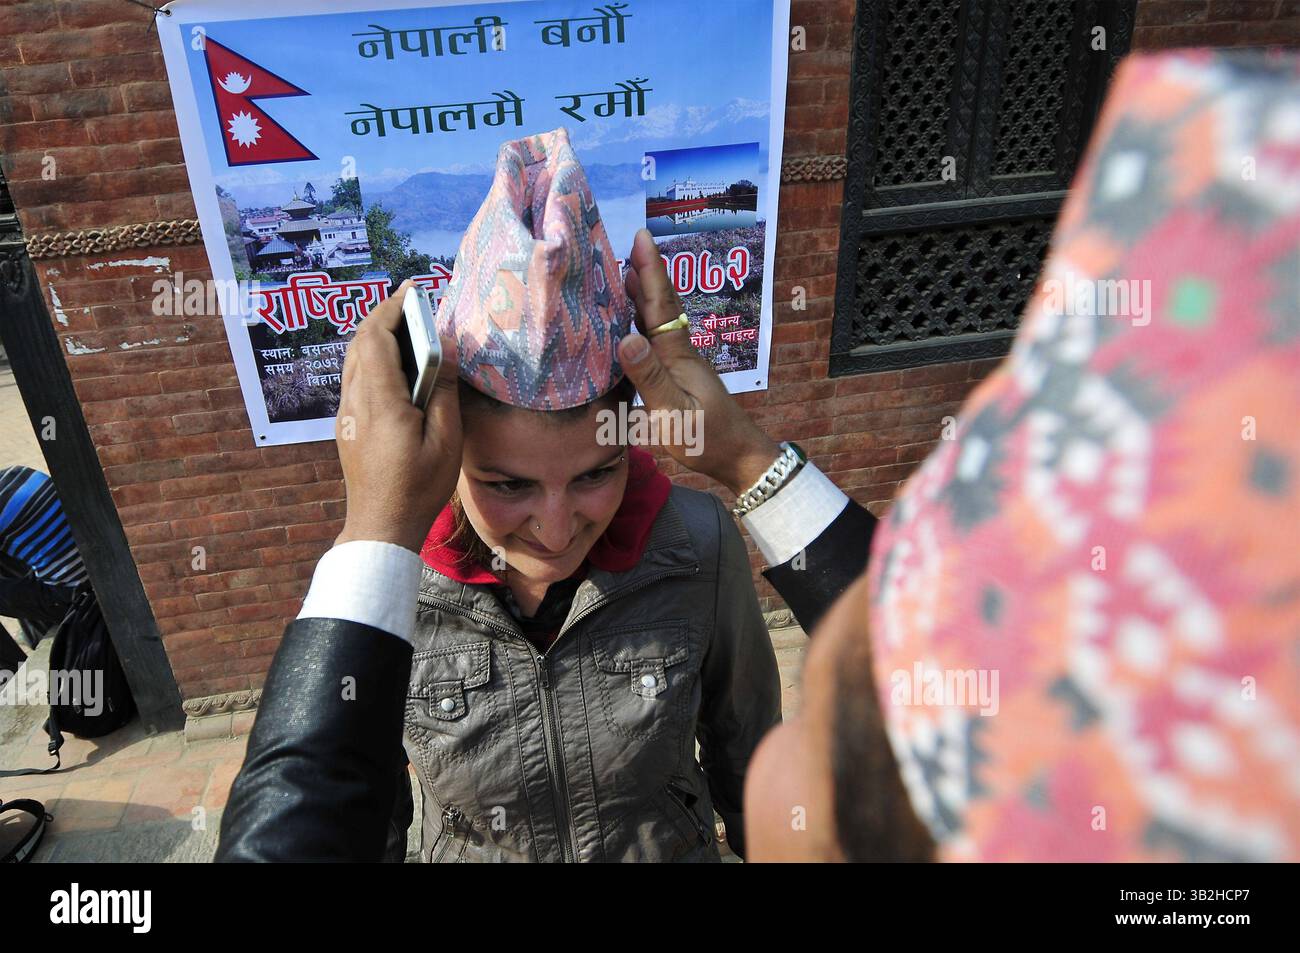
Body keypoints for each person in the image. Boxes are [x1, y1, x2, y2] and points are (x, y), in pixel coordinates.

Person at [0, 466, 88, 688]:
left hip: (74, 595)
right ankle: (35, 635)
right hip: (90, 569)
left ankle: (11, 681)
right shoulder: (17, 473)